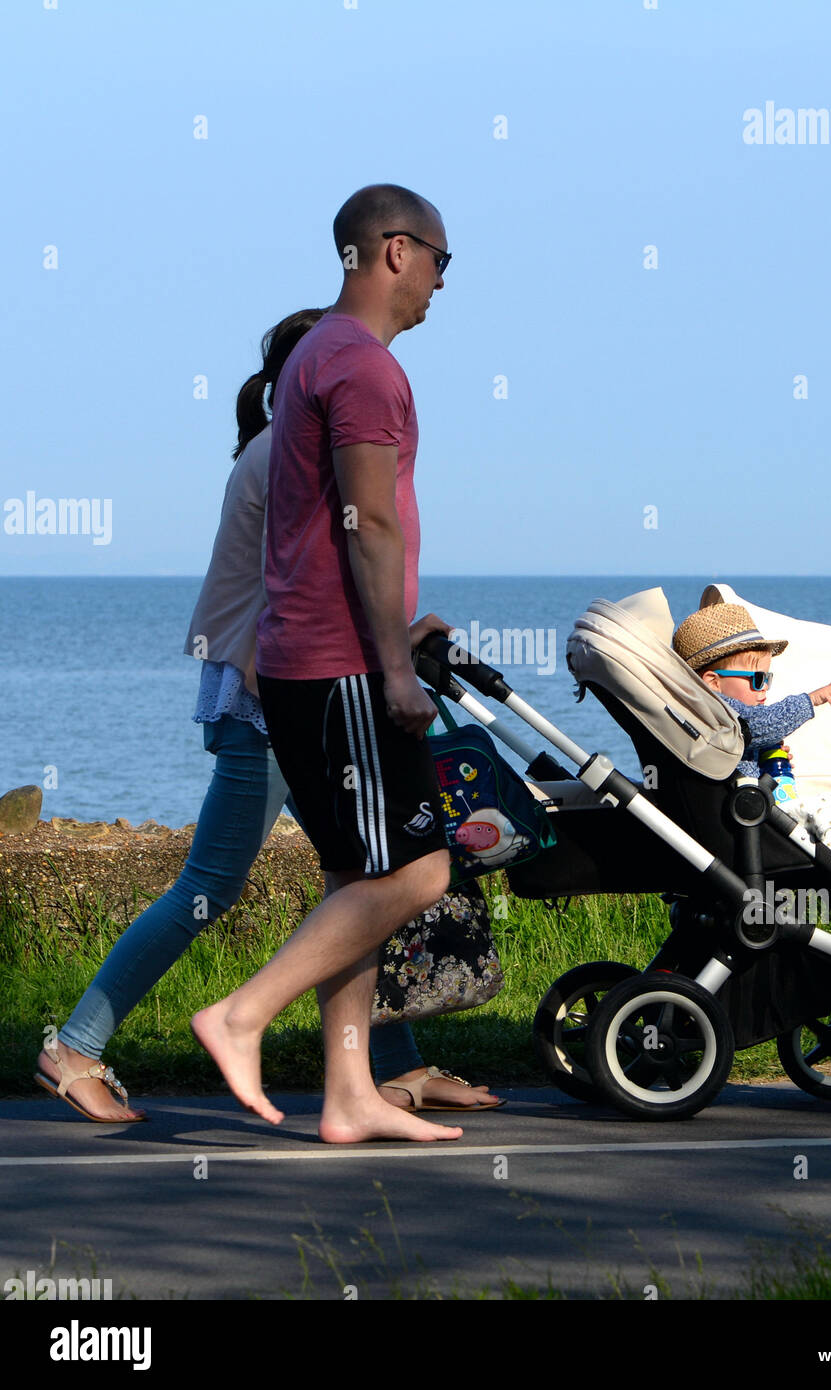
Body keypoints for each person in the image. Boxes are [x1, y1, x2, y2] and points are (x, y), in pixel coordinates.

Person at [34, 305, 498, 1122]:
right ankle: (75, 1046)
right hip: (270, 697)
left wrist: (396, 634)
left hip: (272, 686)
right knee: (216, 884)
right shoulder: (278, 458)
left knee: (357, 872)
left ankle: (388, 1067)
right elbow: (291, 591)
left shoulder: (270, 452)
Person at [192, 184, 475, 1145]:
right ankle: (241, 1014)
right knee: (421, 871)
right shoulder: (360, 366)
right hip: (343, 663)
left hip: (305, 658)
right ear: (395, 251)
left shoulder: (315, 355)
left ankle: (349, 1095)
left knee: (355, 872)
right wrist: (394, 668)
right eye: (442, 259)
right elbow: (372, 524)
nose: (443, 281)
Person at [671, 602, 831, 776]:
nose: (764, 687)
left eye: (766, 678)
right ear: (713, 683)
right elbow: (760, 724)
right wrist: (810, 700)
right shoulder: (716, 712)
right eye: (757, 679)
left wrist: (766, 759)